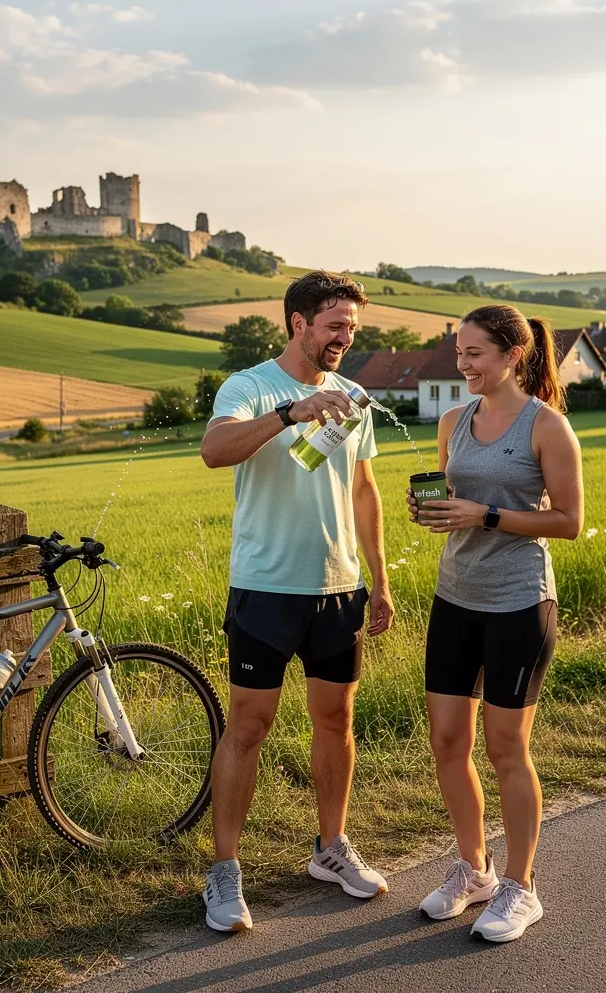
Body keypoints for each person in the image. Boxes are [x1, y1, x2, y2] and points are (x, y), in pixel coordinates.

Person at [199, 269, 395, 933]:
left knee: (336, 721)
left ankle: (330, 848)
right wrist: (290, 413)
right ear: (299, 324)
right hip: (265, 587)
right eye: (336, 325)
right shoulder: (250, 386)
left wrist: (380, 579)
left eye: (352, 328)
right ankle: (225, 871)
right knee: (248, 727)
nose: (345, 338)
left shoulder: (353, 395)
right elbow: (213, 451)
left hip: (337, 588)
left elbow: (363, 492)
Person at [407, 304, 583, 943]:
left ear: (513, 355)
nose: (462, 365)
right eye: (459, 353)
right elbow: (458, 500)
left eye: (474, 354)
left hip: (519, 603)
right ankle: (474, 870)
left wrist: (484, 515)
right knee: (449, 744)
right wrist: (432, 509)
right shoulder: (453, 422)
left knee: (507, 747)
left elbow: (568, 521)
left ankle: (521, 886)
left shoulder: (548, 428)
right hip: (455, 597)